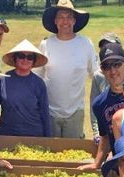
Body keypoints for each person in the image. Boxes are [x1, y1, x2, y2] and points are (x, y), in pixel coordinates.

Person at [35, 0, 97, 138]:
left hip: (75, 110)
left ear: (74, 21)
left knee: (72, 153)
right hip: (49, 109)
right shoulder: (46, 44)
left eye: (69, 17)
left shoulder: (85, 44)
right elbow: (37, 76)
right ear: (55, 21)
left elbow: (96, 73)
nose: (65, 21)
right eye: (61, 17)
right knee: (50, 154)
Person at [78, 41, 124, 171]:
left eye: (117, 64)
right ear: (102, 70)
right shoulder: (100, 104)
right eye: (107, 66)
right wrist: (97, 163)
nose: (113, 71)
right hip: (121, 163)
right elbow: (105, 137)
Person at [0, 39, 51, 138]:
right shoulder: (4, 79)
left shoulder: (39, 83)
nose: (25, 60)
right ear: (15, 58)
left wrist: (47, 139)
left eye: (30, 57)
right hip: (8, 135)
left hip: (34, 134)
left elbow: (45, 112)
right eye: (21, 56)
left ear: (33, 61)